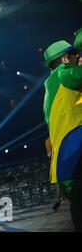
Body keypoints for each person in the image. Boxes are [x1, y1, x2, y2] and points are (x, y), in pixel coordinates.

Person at [43, 40, 82, 231]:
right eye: (76, 55)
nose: (79, 58)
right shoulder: (64, 73)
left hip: (64, 162)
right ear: (65, 59)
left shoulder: (50, 88)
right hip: (76, 155)